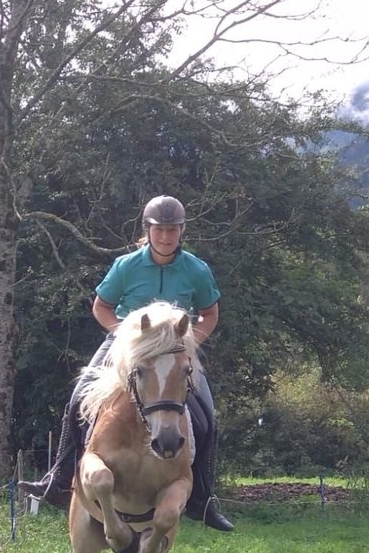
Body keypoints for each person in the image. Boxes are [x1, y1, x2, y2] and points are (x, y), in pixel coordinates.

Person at [21, 194, 234, 531]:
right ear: (147, 230)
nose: (166, 236)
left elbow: (210, 313)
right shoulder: (126, 266)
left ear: (182, 231)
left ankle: (203, 499)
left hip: (175, 352)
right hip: (124, 346)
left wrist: (190, 343)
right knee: (77, 398)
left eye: (172, 230)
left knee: (206, 415)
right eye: (159, 229)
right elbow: (101, 307)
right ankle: (57, 479)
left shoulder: (197, 269)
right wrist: (127, 338)